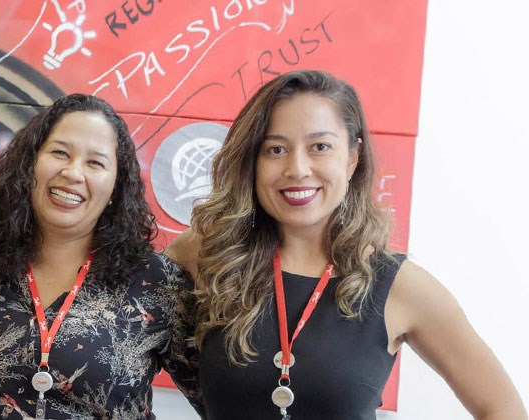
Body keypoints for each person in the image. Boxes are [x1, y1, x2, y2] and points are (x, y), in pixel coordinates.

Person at [163, 69, 526, 419]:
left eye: (320, 146)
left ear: (352, 158)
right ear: (252, 160)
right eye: (275, 149)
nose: (297, 168)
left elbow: (503, 409)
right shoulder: (206, 254)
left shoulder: (400, 287)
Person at [0, 94, 202, 418]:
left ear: (116, 186)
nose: (73, 172)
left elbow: (221, 399)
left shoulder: (156, 283)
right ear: (30, 164)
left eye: (95, 163)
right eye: (60, 153)